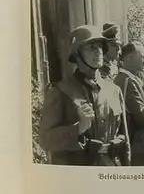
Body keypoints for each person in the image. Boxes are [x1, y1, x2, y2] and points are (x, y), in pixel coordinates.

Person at [39, 25, 131, 166]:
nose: (98, 51)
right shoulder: (60, 92)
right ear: (77, 54)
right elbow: (45, 140)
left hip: (111, 169)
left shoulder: (114, 91)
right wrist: (78, 128)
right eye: (91, 47)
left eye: (100, 46)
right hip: (78, 173)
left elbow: (125, 140)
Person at [114, 41, 144, 166]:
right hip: (139, 147)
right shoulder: (127, 81)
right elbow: (142, 117)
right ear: (129, 58)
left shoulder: (129, 79)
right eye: (142, 56)